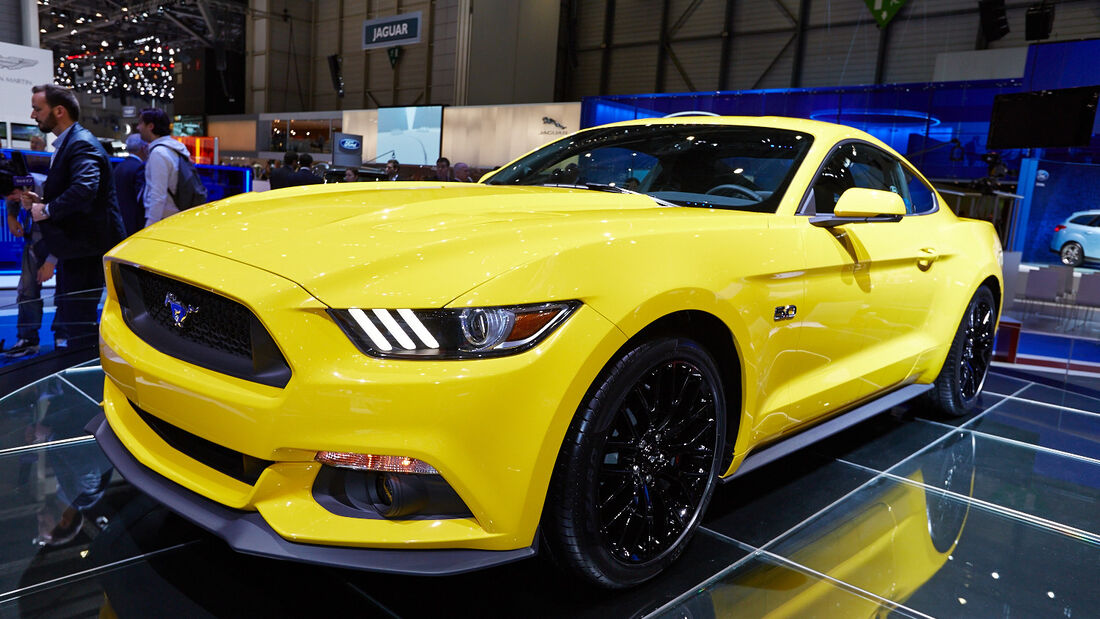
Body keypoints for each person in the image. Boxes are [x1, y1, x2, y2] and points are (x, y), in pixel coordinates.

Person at [25, 84, 124, 350]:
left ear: (59, 111)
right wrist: (43, 203)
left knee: (79, 321)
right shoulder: (70, 142)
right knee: (74, 317)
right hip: (78, 249)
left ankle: (83, 379)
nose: (33, 115)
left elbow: (84, 189)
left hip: (87, 250)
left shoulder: (80, 143)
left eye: (37, 109)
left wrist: (46, 210)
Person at [1, 159, 52, 358]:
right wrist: (11, 216)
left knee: (67, 292)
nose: (11, 199)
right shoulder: (15, 190)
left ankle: (64, 339)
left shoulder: (46, 186)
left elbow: (64, 227)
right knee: (26, 290)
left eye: (13, 194)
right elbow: (12, 198)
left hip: (57, 244)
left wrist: (51, 260)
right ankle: (28, 339)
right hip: (34, 242)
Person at [136, 108, 192, 227]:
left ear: (150, 126)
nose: (138, 128)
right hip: (177, 214)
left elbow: (158, 193)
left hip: (164, 219)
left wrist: (150, 224)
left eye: (141, 123)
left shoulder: (159, 153)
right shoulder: (176, 148)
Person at [114, 133, 147, 237]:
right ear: (143, 148)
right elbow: (142, 198)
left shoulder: (118, 167)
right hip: (135, 223)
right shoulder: (140, 168)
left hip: (120, 220)